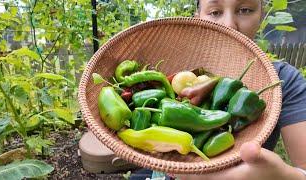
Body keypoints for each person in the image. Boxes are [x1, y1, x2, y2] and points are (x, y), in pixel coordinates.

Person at [130, 0, 306, 179]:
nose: (229, 24)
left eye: (245, 10)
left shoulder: (284, 80)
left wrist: (283, 176)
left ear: (261, 15)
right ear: (198, 18)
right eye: (214, 12)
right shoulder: (182, 71)